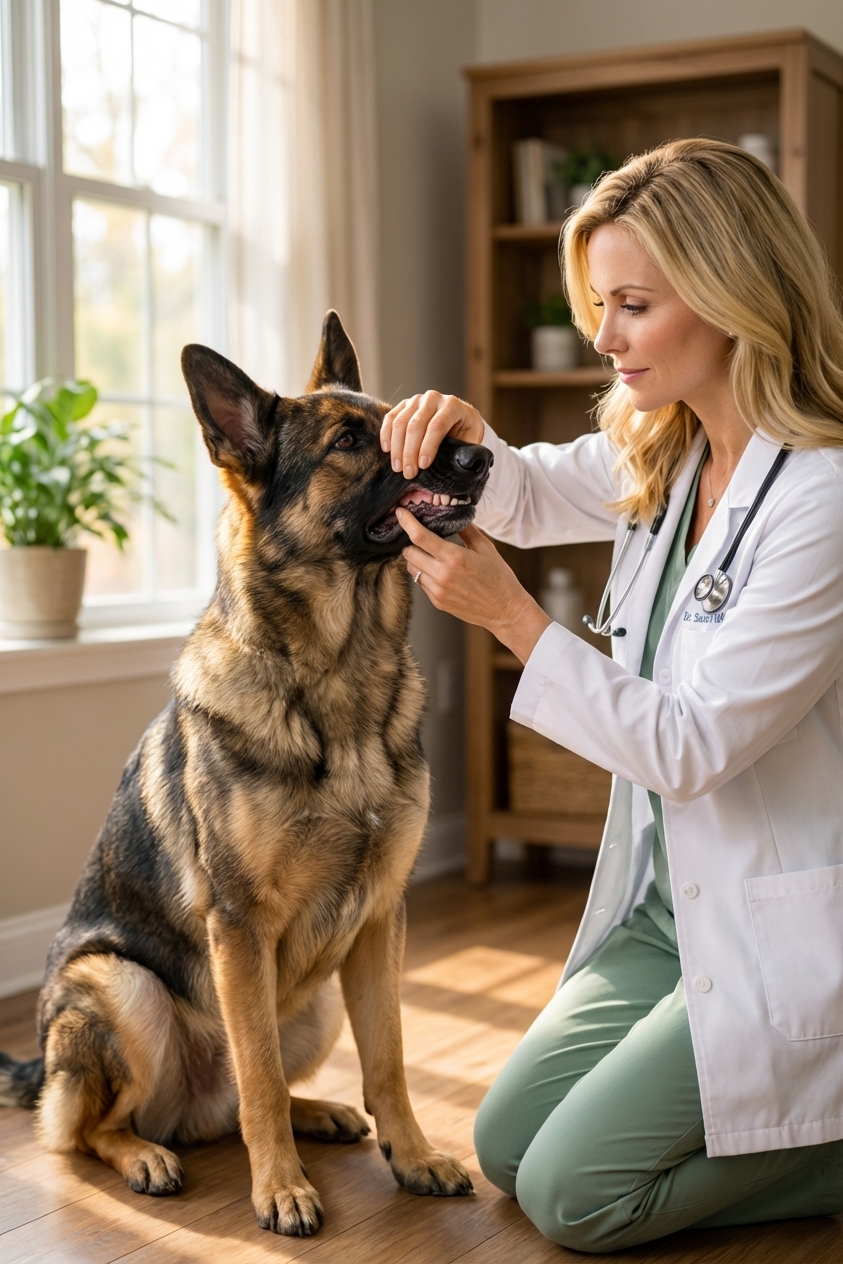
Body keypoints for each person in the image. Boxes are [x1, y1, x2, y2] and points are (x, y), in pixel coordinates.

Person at [380, 138, 843, 1252]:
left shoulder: (822, 497)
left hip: (779, 918)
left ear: (733, 293)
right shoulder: (671, 451)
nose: (602, 337)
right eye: (599, 303)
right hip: (670, 908)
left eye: (631, 303)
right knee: (506, 1146)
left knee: (577, 1197)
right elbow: (534, 491)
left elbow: (688, 747)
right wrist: (461, 439)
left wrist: (508, 616)